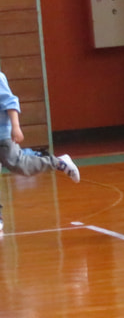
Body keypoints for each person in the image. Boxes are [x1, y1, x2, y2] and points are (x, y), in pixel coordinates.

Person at [0, 68, 80, 235]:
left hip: (3, 136)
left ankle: (57, 162)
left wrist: (15, 127)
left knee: (19, 164)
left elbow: (10, 103)